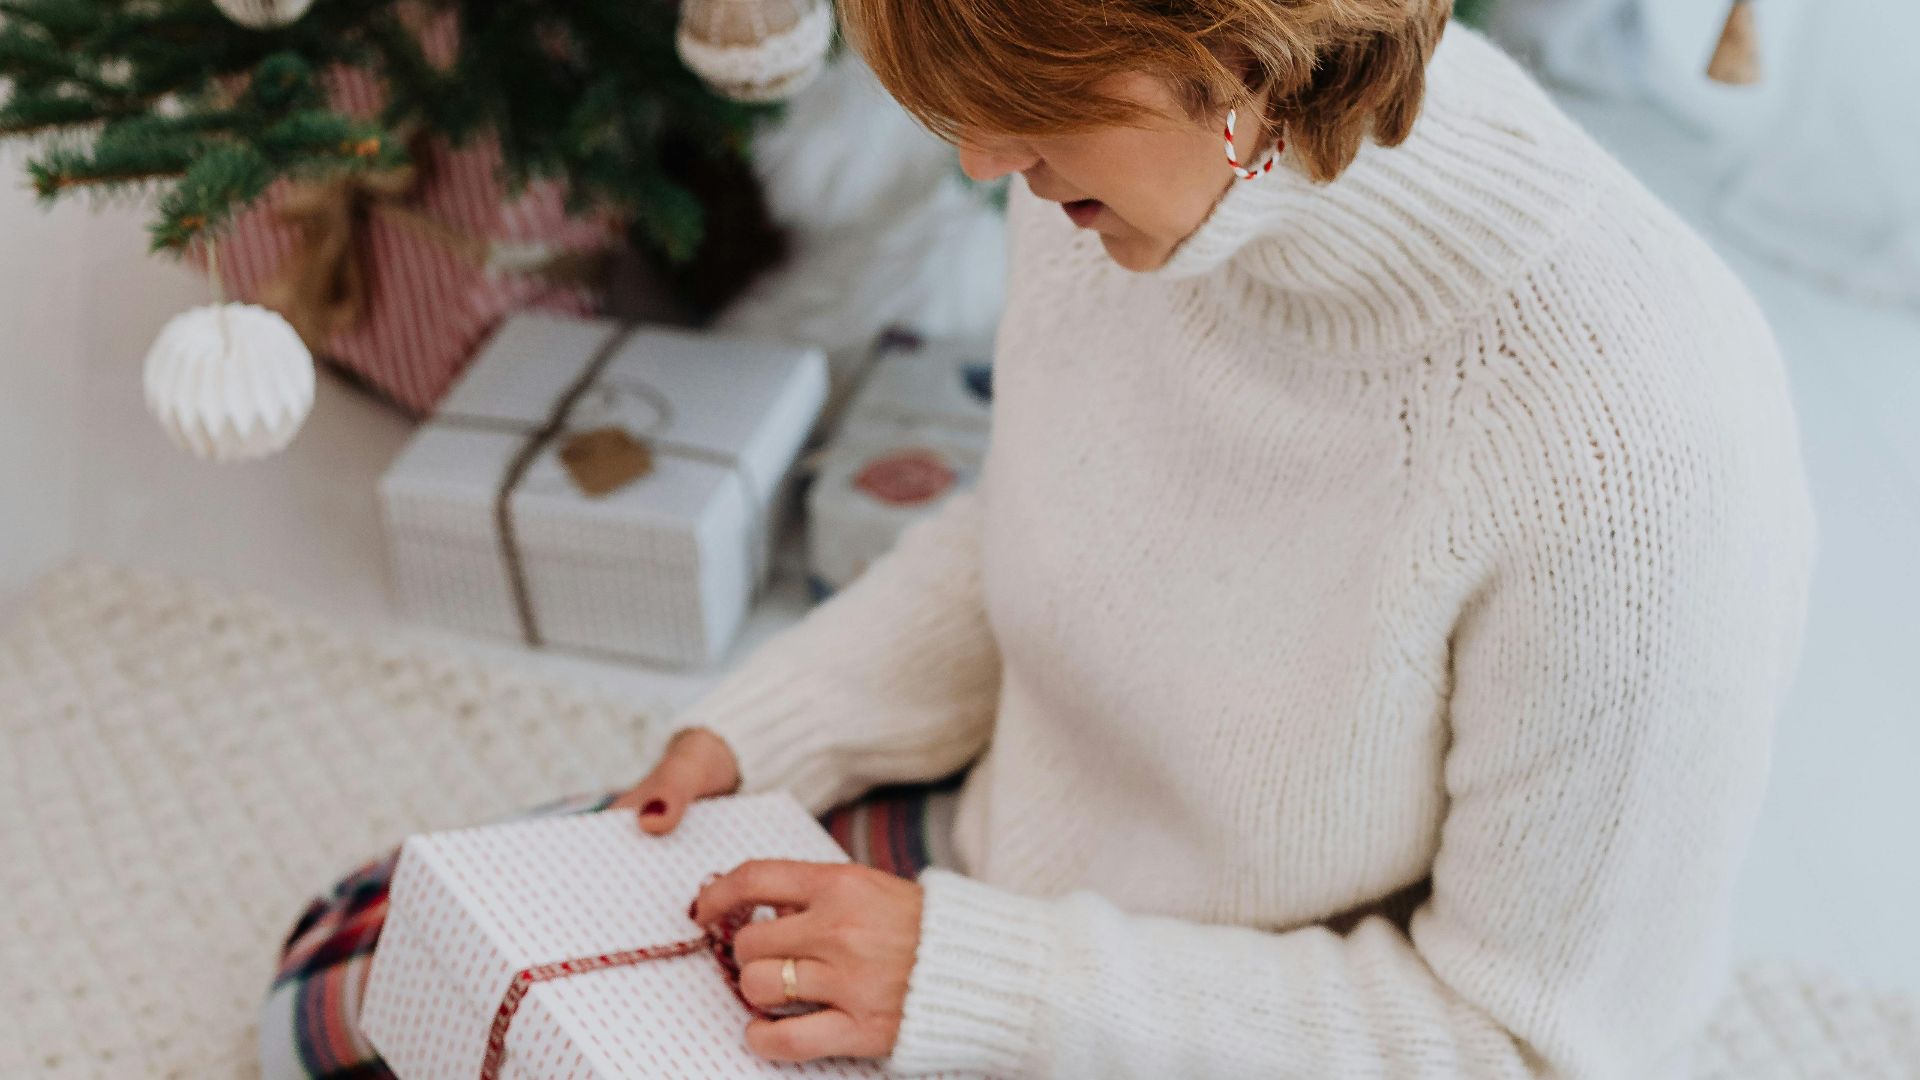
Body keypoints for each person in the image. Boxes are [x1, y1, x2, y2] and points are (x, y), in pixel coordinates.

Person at [264, 1, 1817, 1076]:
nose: (978, 165)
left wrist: (971, 982)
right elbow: (1042, 515)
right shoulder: (1120, 171)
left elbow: (1530, 1046)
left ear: (1246, 58)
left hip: (1254, 1028)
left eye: (1027, 112)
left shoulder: (1639, 443)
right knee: (348, 978)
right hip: (1000, 875)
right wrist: (778, 735)